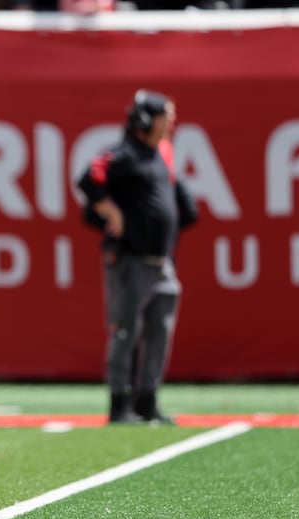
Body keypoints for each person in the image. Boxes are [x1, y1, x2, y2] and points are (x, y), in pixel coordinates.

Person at [78, 89, 198, 425]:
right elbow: (89, 177)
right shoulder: (126, 153)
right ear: (146, 119)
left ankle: (148, 399)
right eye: (165, 115)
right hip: (129, 258)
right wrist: (112, 213)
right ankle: (120, 403)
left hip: (161, 260)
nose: (171, 122)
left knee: (160, 330)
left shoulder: (162, 153)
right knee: (126, 330)